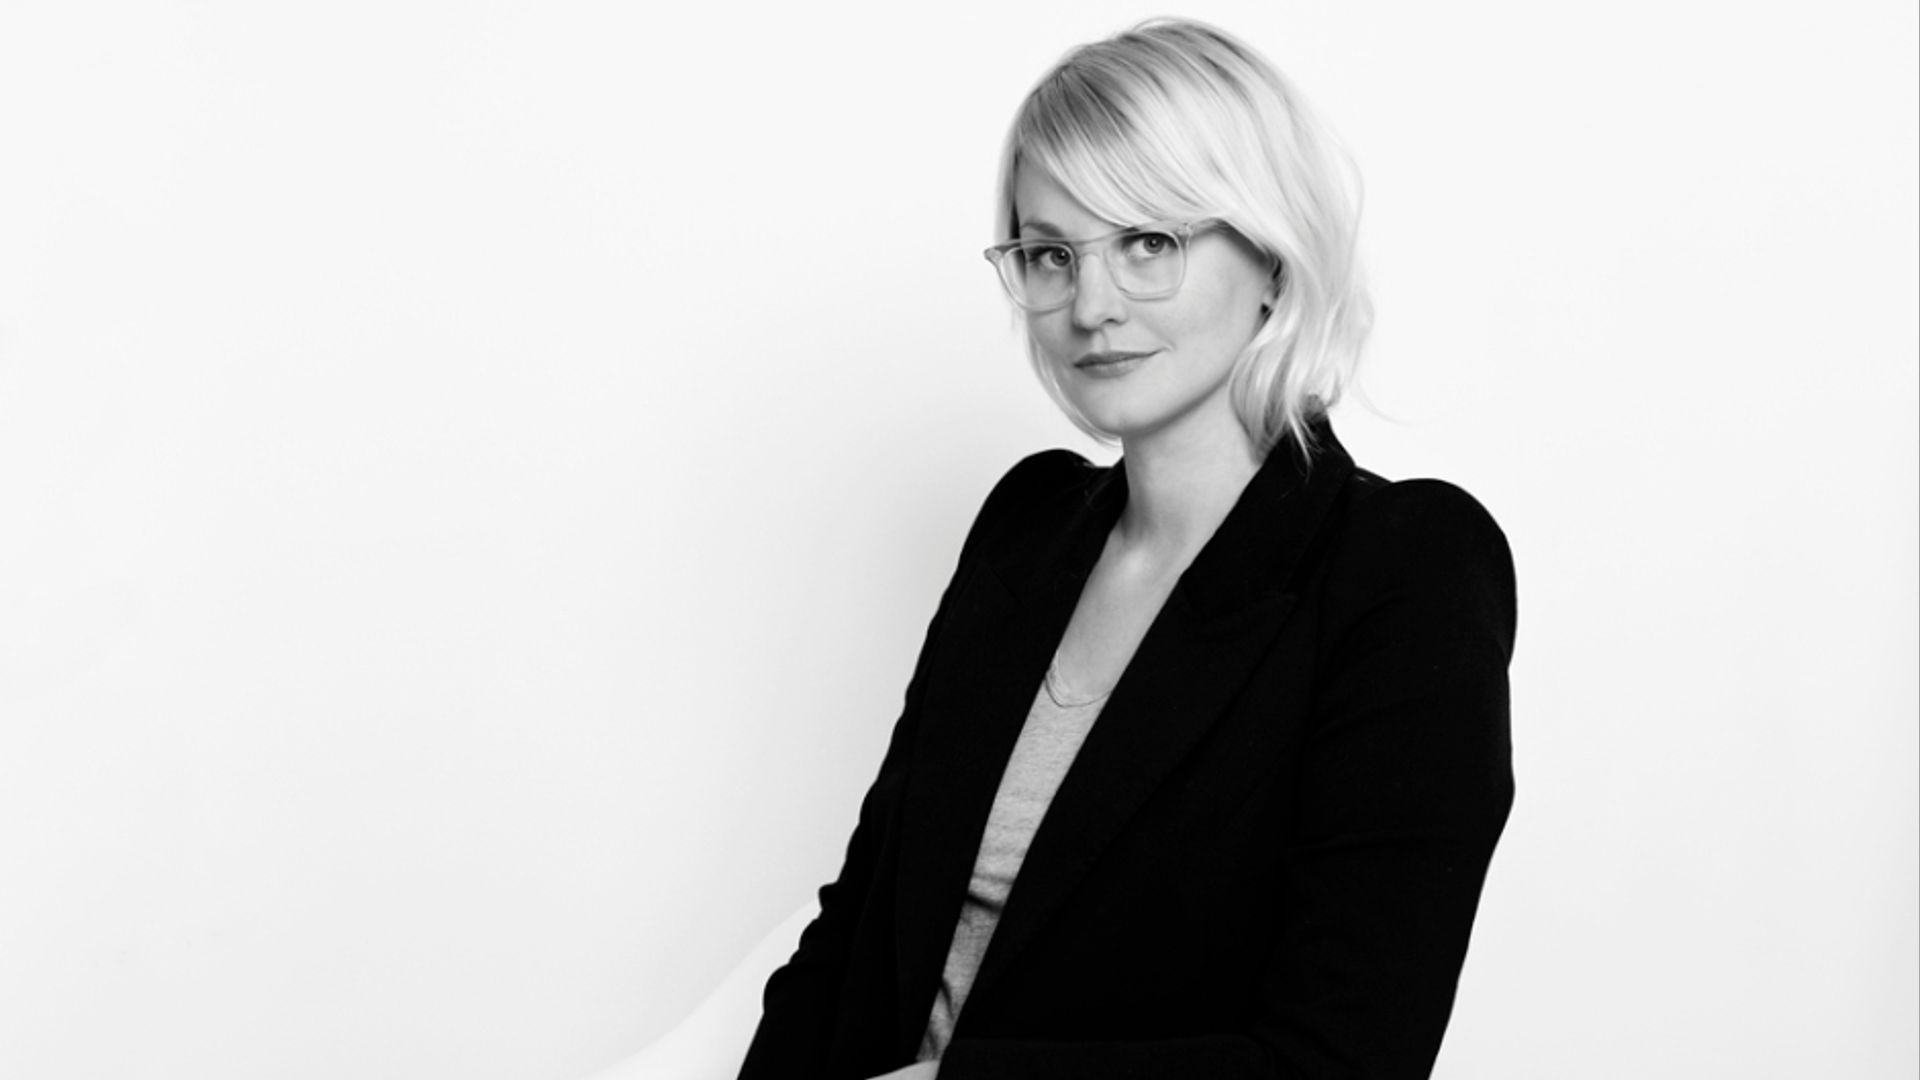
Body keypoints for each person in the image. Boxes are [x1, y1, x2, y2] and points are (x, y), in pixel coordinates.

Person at [738, 17, 1515, 1080]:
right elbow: (857, 926)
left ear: (1273, 257)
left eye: (1149, 241)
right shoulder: (1026, 527)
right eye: (1052, 254)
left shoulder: (1405, 571)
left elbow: (1342, 1060)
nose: (1091, 306)